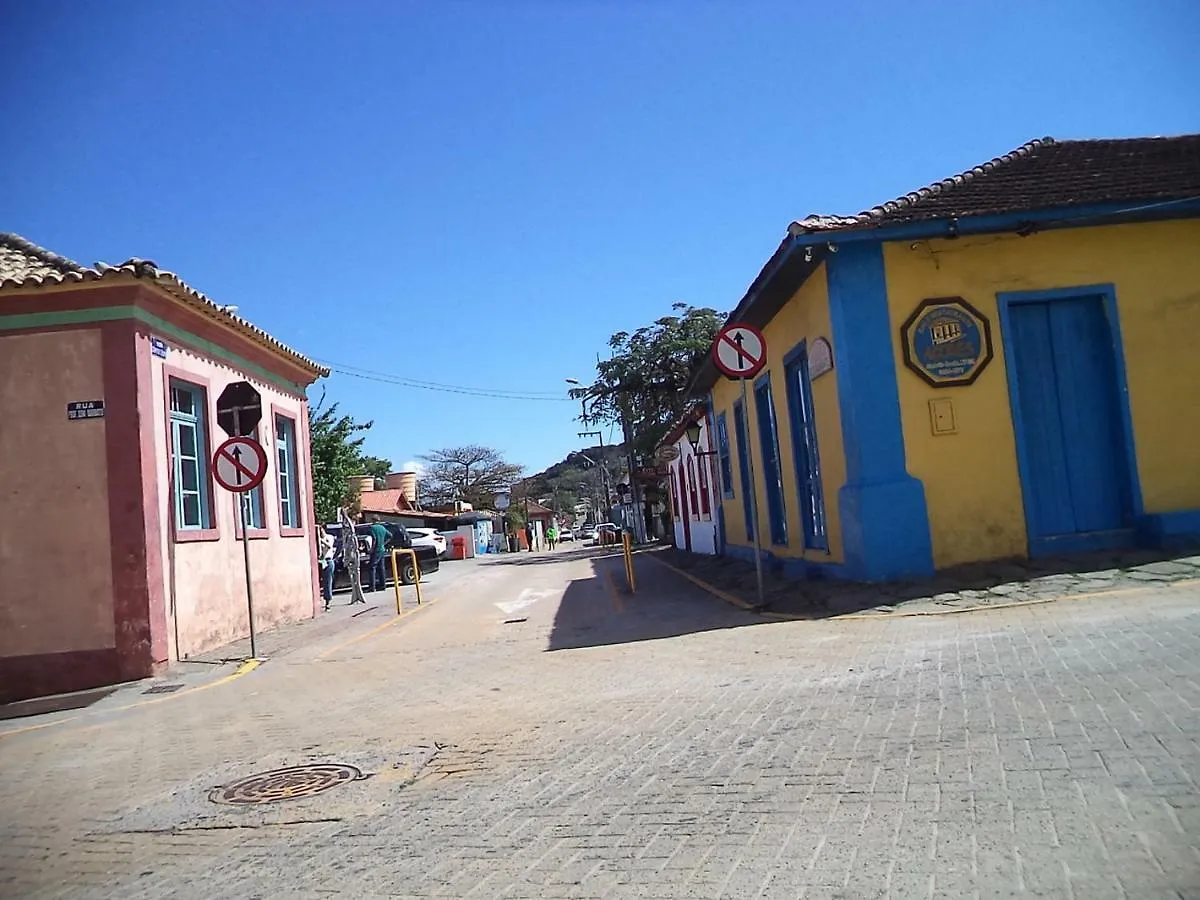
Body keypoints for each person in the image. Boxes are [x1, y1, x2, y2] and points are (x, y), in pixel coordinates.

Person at [368, 515, 391, 592]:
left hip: (376, 550)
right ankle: (383, 585)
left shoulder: (372, 528)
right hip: (382, 549)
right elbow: (390, 535)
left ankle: (372, 587)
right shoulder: (382, 528)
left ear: (373, 520)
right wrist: (384, 543)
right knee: (381, 568)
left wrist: (372, 549)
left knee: (372, 567)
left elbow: (374, 538)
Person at [318, 529, 336, 610]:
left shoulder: (329, 537)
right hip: (321, 561)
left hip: (328, 560)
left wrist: (321, 540)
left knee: (328, 581)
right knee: (321, 582)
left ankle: (328, 601)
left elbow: (329, 546)